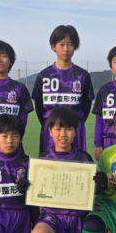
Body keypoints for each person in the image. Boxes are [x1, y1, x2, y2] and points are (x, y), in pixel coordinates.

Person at [25, 107, 107, 233]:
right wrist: (25, 187)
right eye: (58, 129)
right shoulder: (43, 159)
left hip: (75, 219)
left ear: (76, 132)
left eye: (68, 129)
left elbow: (90, 192)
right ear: (50, 131)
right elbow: (35, 192)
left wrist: (100, 185)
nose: (63, 134)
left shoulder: (84, 158)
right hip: (52, 217)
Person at [32, 25, 94, 154]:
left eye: (70, 44)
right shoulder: (44, 75)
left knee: (76, 162)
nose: (66, 49)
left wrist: (74, 123)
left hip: (74, 129)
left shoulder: (82, 75)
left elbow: (86, 105)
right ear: (53, 46)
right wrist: (51, 123)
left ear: (75, 46)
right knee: (50, 163)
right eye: (61, 44)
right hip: (51, 130)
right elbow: (39, 106)